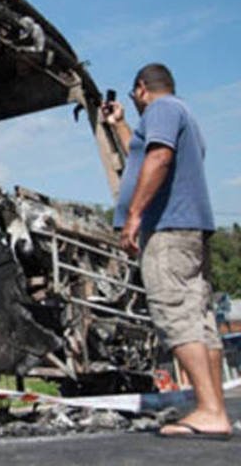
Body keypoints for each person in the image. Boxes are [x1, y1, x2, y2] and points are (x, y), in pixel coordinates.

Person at [101, 63, 231, 439]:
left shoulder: (162, 109)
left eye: (133, 97)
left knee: (173, 310)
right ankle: (213, 408)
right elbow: (142, 155)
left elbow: (158, 159)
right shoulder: (182, 114)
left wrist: (134, 217)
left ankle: (208, 409)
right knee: (198, 316)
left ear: (142, 88)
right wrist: (120, 124)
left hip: (169, 229)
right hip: (190, 228)